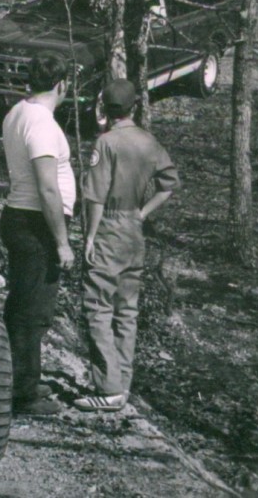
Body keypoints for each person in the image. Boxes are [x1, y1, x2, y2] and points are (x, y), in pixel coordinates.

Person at [76, 79, 179, 412]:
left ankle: (108, 388)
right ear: (135, 106)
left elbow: (95, 196)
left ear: (105, 108)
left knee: (98, 306)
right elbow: (168, 184)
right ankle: (121, 383)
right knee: (126, 310)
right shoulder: (148, 141)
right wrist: (143, 213)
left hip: (108, 225)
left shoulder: (106, 143)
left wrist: (90, 236)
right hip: (134, 228)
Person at [0, 51, 76, 416]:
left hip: (21, 216)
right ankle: (22, 394)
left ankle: (22, 377)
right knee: (33, 311)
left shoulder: (18, 112)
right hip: (36, 223)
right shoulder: (42, 123)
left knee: (22, 304)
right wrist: (62, 242)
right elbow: (48, 189)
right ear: (63, 84)